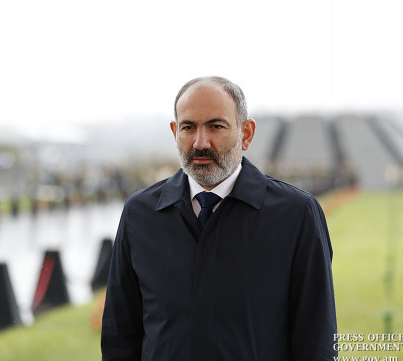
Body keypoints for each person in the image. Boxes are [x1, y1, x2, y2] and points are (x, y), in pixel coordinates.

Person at [101, 76, 337, 361]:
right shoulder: (139, 214)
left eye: (216, 126)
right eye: (189, 127)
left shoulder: (297, 214)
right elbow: (119, 337)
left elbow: (317, 339)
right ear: (175, 132)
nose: (200, 142)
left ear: (246, 134)